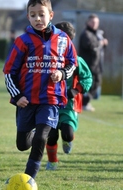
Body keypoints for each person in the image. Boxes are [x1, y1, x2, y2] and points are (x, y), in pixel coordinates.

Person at [3, 0, 77, 179]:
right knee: (22, 144)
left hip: (50, 99)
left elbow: (72, 64)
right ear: (28, 16)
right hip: (27, 101)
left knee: (41, 139)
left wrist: (61, 73)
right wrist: (17, 96)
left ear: (50, 15)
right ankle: (34, 129)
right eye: (33, 15)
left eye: (41, 14)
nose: (38, 18)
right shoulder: (23, 41)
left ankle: (29, 178)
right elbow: (8, 72)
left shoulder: (63, 39)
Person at [45, 21, 93, 170]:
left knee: (67, 133)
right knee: (51, 135)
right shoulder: (47, 57)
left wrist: (76, 90)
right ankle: (52, 162)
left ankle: (68, 139)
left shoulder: (77, 60)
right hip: (50, 102)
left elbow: (88, 78)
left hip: (68, 105)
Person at [79, 14, 108, 111]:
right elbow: (90, 46)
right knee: (87, 84)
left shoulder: (96, 34)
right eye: (92, 22)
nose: (94, 24)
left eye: (96, 22)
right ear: (88, 22)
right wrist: (100, 43)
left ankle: (86, 102)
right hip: (88, 65)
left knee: (97, 83)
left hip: (96, 65)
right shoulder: (86, 34)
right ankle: (83, 103)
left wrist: (103, 43)